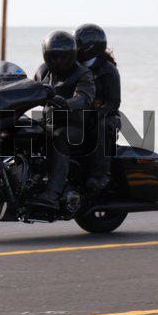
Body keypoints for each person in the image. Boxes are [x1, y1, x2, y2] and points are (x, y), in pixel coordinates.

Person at [31, 30, 95, 211]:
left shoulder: (83, 73)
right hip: (48, 121)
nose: (58, 61)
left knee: (60, 137)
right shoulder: (43, 71)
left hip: (73, 125)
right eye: (54, 56)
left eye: (63, 57)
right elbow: (29, 89)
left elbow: (85, 97)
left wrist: (67, 103)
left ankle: (53, 193)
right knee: (20, 130)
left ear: (72, 55)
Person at [73, 23, 121, 191]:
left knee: (100, 126)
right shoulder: (73, 66)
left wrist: (95, 112)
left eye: (78, 44)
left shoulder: (108, 69)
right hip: (79, 113)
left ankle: (99, 176)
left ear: (90, 46)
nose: (76, 48)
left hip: (107, 115)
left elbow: (114, 102)